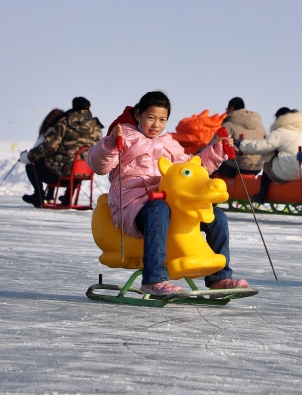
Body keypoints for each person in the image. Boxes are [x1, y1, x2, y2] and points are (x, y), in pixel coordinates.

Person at [86, 90, 249, 296]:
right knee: (159, 208)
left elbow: (190, 169)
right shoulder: (125, 138)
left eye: (162, 120)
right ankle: (154, 279)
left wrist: (218, 150)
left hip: (172, 203)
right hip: (133, 205)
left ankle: (219, 277)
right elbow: (98, 164)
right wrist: (110, 142)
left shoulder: (168, 143)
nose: (156, 125)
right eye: (151, 118)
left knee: (217, 216)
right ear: (138, 115)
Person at [23, 97, 103, 207]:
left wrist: (29, 156)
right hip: (86, 170)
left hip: (62, 171)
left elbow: (50, 146)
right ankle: (67, 198)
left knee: (31, 164)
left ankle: (39, 195)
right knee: (79, 160)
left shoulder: (65, 122)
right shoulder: (97, 126)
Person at [237, 107, 302, 203]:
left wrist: (242, 144)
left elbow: (261, 147)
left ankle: (262, 194)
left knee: (268, 159)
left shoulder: (281, 132)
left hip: (289, 172)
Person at [214, 97, 269, 180]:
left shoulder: (229, 124)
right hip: (257, 167)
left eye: (227, 109)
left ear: (231, 108)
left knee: (211, 162)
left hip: (235, 167)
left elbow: (214, 144)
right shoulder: (260, 125)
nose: (226, 112)